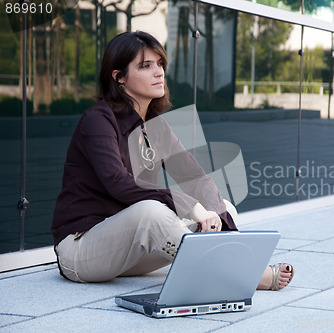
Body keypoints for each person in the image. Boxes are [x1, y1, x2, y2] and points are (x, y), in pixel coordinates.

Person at [51, 31, 294, 290]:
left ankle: (232, 264)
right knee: (152, 211)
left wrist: (221, 225)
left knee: (223, 209)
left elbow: (196, 179)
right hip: (81, 250)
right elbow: (118, 183)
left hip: (127, 254)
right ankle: (245, 275)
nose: (158, 72)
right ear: (119, 77)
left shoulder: (156, 127)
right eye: (146, 66)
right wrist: (189, 206)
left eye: (160, 64)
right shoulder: (98, 120)